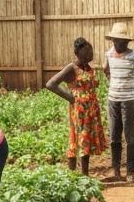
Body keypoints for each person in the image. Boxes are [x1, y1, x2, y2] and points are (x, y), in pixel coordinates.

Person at [44, 38, 106, 176]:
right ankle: (81, 175)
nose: (91, 54)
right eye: (88, 51)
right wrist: (71, 98)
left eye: (91, 51)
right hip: (80, 110)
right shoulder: (71, 68)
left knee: (85, 139)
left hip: (91, 109)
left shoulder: (88, 68)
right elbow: (51, 84)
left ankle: (77, 175)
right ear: (78, 53)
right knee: (81, 139)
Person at [102, 21, 134, 182]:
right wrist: (114, 84)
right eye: (116, 40)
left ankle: (130, 172)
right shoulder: (109, 54)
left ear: (126, 42)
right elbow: (106, 70)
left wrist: (128, 85)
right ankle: (116, 171)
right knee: (114, 136)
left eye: (122, 41)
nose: (119, 43)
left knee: (130, 137)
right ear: (113, 40)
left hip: (129, 100)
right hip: (113, 100)